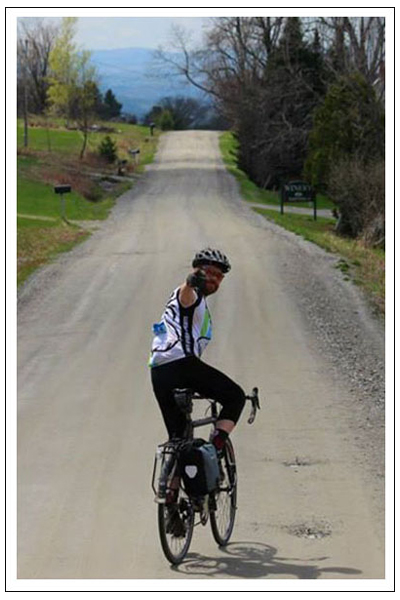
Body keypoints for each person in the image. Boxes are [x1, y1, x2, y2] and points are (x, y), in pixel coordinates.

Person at [149, 247, 246, 455]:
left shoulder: (190, 301)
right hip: (181, 364)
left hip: (158, 371)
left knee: (179, 440)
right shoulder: (191, 295)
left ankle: (171, 487)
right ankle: (216, 448)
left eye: (219, 276)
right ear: (197, 270)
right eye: (209, 272)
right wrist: (191, 281)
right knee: (235, 397)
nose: (214, 279)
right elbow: (187, 293)